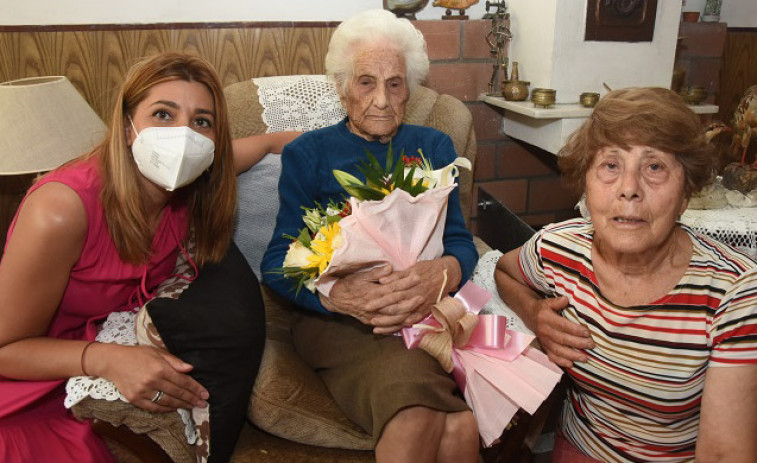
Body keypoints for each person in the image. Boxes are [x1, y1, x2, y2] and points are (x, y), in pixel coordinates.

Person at [0, 51, 296, 462]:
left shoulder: (194, 185)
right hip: (23, 389)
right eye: (162, 115)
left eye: (201, 122)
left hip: (76, 373)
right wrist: (105, 360)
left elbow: (252, 149)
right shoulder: (61, 210)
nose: (183, 136)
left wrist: (288, 141)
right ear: (126, 128)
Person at [261, 9, 479, 463]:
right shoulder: (309, 153)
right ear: (342, 88)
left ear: (410, 90)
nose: (381, 99)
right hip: (337, 322)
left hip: (422, 311)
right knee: (420, 415)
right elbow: (278, 261)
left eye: (395, 83)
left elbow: (460, 240)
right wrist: (337, 294)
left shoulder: (434, 147)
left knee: (462, 426)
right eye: (366, 82)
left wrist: (441, 272)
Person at [494, 87, 757, 462]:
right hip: (581, 448)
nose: (629, 189)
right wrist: (534, 314)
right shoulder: (559, 250)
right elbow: (505, 270)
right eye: (611, 165)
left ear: (686, 192)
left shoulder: (735, 292)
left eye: (655, 167)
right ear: (587, 181)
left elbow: (722, 454)